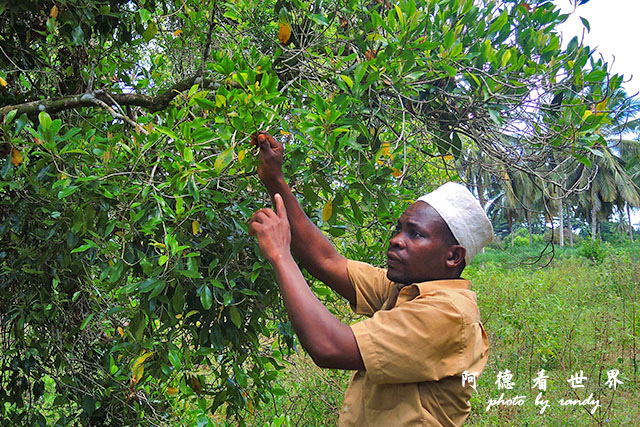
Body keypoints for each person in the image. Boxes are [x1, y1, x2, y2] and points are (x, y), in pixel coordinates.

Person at [248, 132, 492, 426]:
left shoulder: (447, 314)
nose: (396, 241)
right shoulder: (406, 289)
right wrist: (275, 181)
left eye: (415, 234)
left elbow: (329, 347)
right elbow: (326, 261)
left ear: (452, 256)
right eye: (399, 229)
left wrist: (280, 255)